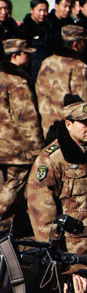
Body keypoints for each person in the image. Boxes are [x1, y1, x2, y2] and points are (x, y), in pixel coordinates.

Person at [26, 98, 87, 293]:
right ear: (68, 124)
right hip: (69, 251)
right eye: (83, 123)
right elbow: (42, 211)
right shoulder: (52, 160)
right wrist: (52, 254)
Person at [0, 39, 44, 236]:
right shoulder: (17, 81)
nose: (30, 56)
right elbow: (26, 118)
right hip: (16, 147)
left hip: (3, 144)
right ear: (15, 56)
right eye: (26, 53)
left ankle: (7, 229)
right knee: (14, 186)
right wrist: (37, 149)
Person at [35, 25, 87, 136]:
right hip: (69, 130)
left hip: (48, 126)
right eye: (83, 42)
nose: (85, 45)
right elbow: (86, 102)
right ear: (76, 44)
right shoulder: (79, 66)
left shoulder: (47, 62)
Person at [20, 0, 51, 78]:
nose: (43, 14)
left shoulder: (49, 27)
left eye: (45, 10)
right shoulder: (24, 29)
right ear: (32, 10)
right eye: (39, 10)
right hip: (32, 69)